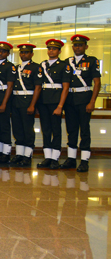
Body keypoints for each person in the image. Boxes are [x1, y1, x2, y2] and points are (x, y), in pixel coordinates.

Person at [61, 34, 101, 172]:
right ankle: (71, 159)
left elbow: (97, 83)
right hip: (70, 99)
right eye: (75, 45)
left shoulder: (92, 61)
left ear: (86, 47)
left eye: (80, 45)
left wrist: (92, 101)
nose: (77, 47)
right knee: (71, 130)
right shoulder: (67, 61)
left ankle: (84, 160)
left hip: (84, 98)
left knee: (84, 130)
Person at [36, 39, 71, 170]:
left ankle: (55, 158)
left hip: (55, 101)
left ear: (59, 51)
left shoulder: (64, 66)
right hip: (43, 101)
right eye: (49, 49)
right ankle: (47, 157)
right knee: (45, 130)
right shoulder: (43, 65)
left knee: (56, 130)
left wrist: (60, 106)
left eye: (54, 49)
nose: (51, 51)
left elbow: (65, 87)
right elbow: (39, 86)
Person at [9, 44, 41, 167]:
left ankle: (27, 155)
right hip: (16, 100)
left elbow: (38, 87)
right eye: (22, 52)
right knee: (17, 128)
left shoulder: (35, 67)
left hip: (27, 100)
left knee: (27, 129)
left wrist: (33, 105)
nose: (23, 54)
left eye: (26, 52)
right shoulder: (16, 68)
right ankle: (19, 154)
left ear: (32, 54)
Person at [0, 41, 16, 165]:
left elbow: (10, 87)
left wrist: (4, 103)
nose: (0, 53)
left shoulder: (10, 66)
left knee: (4, 126)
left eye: (3, 52)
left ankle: (6, 153)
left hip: (3, 98)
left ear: (8, 54)